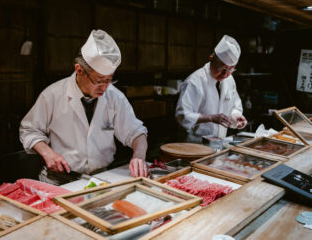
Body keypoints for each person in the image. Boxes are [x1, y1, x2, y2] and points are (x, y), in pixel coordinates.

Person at [20, 30, 148, 185]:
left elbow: (137, 133)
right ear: (79, 70)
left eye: (109, 80)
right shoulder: (53, 95)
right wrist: (48, 153)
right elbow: (29, 130)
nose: (105, 87)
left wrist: (139, 156)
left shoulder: (115, 97)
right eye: (99, 80)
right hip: (60, 180)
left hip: (102, 178)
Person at [176, 35, 247, 143]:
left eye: (230, 69)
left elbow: (234, 106)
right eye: (222, 68)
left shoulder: (229, 80)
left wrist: (236, 116)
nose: (225, 74)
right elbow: (183, 115)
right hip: (196, 144)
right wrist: (210, 118)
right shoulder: (195, 81)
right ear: (211, 58)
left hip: (219, 143)